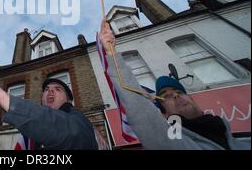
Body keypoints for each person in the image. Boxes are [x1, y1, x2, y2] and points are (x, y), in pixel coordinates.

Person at [99, 18, 251, 150]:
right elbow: (141, 109)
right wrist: (112, 54)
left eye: (179, 93)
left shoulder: (244, 142)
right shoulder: (172, 142)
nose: (177, 96)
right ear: (164, 114)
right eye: (168, 96)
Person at [0, 72, 98, 150]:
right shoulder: (31, 135)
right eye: (46, 90)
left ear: (68, 99)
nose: (50, 92)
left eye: (57, 89)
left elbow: (67, 131)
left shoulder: (78, 120)